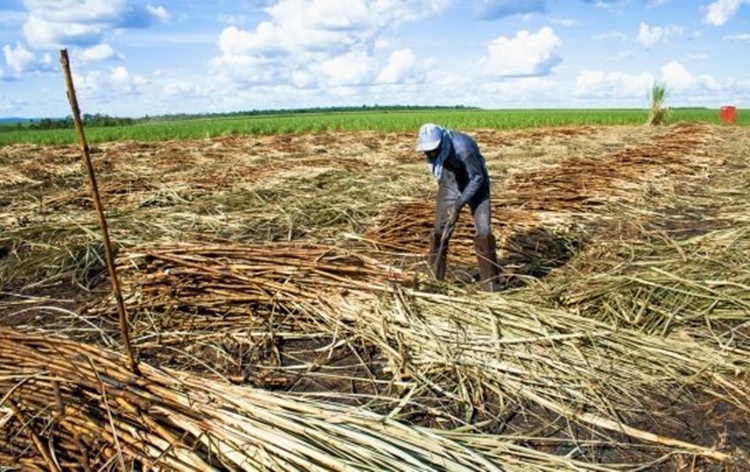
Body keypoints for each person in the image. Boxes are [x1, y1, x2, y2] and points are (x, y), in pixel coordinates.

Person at [415, 123, 500, 292]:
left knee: (483, 230)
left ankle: (491, 283)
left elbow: (477, 178)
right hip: (450, 181)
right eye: (427, 151)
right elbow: (441, 173)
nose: (430, 154)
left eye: (434, 150)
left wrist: (459, 204)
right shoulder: (435, 152)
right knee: (440, 229)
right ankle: (435, 278)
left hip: (475, 181)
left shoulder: (464, 148)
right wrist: (451, 206)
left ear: (442, 142)